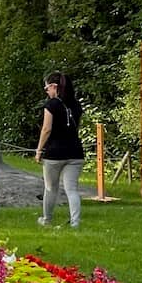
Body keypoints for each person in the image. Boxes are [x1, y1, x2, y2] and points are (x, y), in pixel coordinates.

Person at [36, 71, 85, 228]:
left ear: (54, 86)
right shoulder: (76, 105)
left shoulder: (51, 105)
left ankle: (47, 219)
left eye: (47, 88)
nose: (47, 92)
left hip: (54, 153)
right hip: (75, 152)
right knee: (72, 189)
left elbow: (46, 129)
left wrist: (39, 150)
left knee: (51, 188)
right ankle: (75, 222)